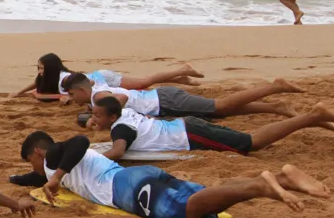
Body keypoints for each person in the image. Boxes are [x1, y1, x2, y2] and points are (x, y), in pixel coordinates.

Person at [19, 131, 331, 218]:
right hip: (138, 177)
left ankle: (263, 185)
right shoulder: (45, 170)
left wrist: (57, 177)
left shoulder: (53, 156)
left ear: (37, 151)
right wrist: (32, 180)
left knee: (187, 212)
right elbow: (25, 179)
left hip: (125, 189)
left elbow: (80, 142)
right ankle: (283, 178)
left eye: (30, 160)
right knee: (208, 196)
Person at [90, 96, 334, 159]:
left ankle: (312, 116)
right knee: (247, 138)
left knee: (253, 143)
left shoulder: (120, 130)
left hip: (190, 134)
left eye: (98, 116)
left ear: (112, 117)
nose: (94, 119)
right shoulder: (127, 113)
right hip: (187, 124)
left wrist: (92, 157)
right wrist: (96, 122)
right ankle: (314, 118)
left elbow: (119, 151)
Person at [63, 73, 300, 121]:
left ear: (83, 91)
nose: (72, 99)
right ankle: (278, 107)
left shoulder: (99, 96)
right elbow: (94, 82)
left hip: (166, 102)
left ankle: (274, 87)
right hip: (164, 101)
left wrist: (104, 118)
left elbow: (119, 101)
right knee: (223, 111)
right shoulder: (95, 88)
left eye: (73, 94)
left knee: (223, 104)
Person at [12, 53, 204, 101]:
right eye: (38, 67)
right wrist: (18, 92)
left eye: (42, 68)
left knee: (146, 81)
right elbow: (35, 85)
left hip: (104, 78)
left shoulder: (64, 78)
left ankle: (182, 69)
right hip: (100, 77)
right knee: (144, 83)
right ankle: (181, 78)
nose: (39, 71)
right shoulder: (49, 78)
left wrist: (65, 96)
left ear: (52, 69)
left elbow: (90, 82)